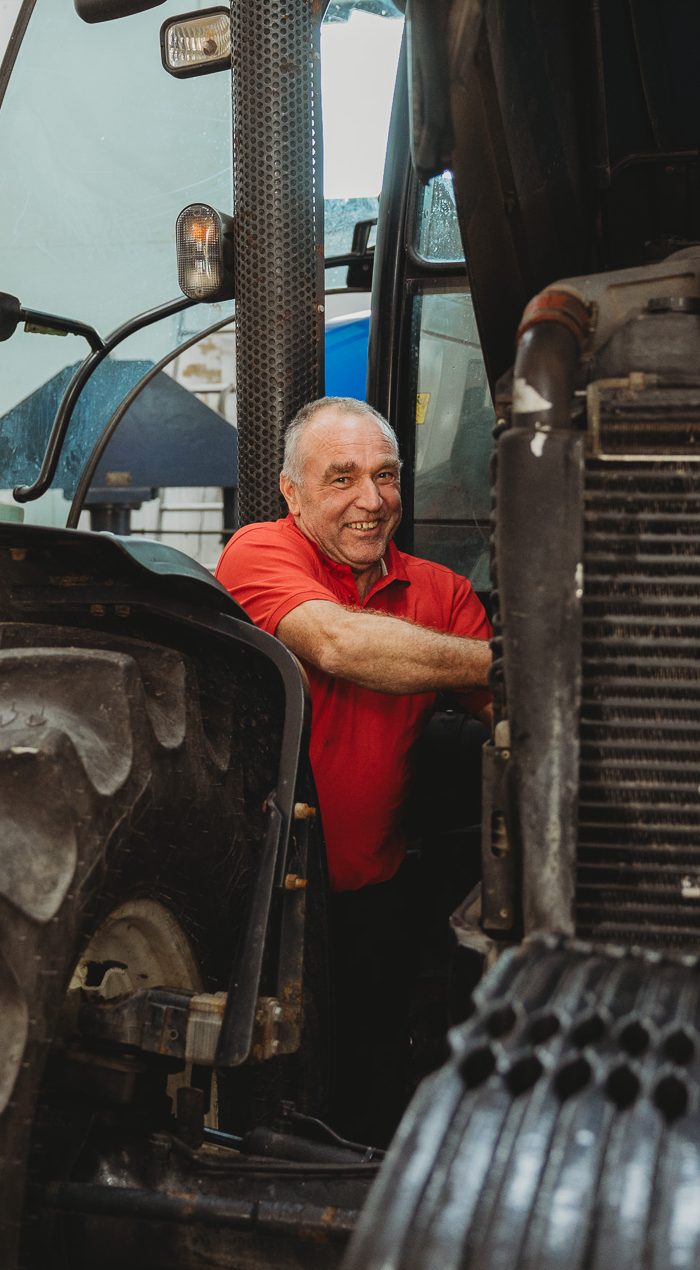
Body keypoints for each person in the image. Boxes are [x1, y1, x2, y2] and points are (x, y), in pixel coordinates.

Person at [215, 396, 492, 1144]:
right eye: (342, 478)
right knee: (269, 1100)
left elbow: (515, 715)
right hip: (266, 908)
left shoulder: (445, 593)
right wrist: (512, 657)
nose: (371, 500)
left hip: (380, 899)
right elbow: (340, 645)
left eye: (387, 475)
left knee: (371, 1085)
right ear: (292, 493)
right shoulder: (258, 552)